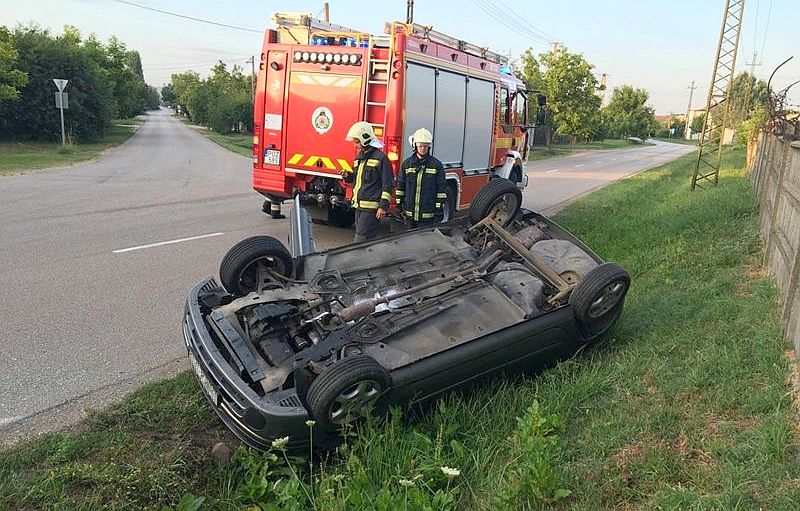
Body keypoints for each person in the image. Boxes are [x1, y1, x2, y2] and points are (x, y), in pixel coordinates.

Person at [341, 121, 394, 242]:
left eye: (357, 142)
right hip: (359, 207)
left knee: (361, 240)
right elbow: (356, 180)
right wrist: (347, 176)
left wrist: (383, 207)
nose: (355, 145)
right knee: (367, 241)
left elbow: (388, 185)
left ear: (365, 139)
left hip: (371, 209)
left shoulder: (381, 159)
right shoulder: (358, 159)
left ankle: (357, 260)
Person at [397, 128, 447, 228]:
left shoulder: (436, 165)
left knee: (425, 243)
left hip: (427, 217)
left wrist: (438, 209)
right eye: (420, 146)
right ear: (415, 146)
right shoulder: (407, 164)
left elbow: (441, 190)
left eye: (425, 146)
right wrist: (399, 206)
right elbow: (400, 187)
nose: (423, 148)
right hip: (409, 216)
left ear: (429, 147)